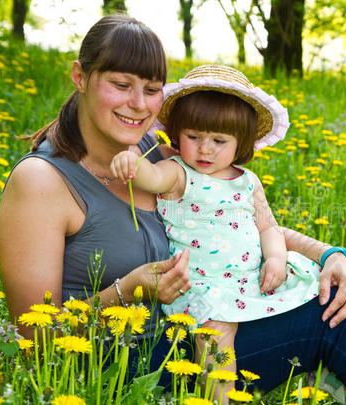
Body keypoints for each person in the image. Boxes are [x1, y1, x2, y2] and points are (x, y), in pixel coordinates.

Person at [0, 14, 346, 404]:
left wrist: (331, 254)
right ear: (80, 77)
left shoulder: (155, 149)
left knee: (332, 284)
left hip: (200, 323)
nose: (138, 103)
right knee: (322, 316)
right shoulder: (42, 182)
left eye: (151, 88)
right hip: (125, 367)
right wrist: (131, 289)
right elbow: (33, 335)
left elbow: (232, 224)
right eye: (121, 85)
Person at [110, 64, 321, 397]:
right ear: (179, 134)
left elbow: (267, 227)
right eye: (194, 137)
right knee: (217, 341)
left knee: (315, 292)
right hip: (203, 286)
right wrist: (132, 161)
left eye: (219, 140)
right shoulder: (178, 172)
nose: (205, 148)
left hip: (249, 279)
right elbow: (150, 178)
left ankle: (326, 377)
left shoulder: (247, 181)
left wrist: (277, 258)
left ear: (242, 144)